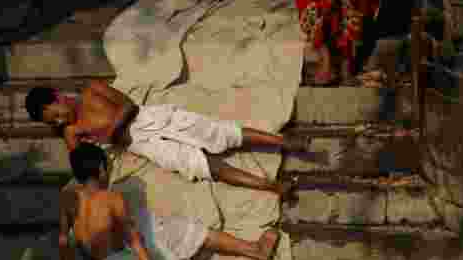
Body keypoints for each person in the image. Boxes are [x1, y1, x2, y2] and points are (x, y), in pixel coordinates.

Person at [61, 143, 283, 260]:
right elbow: (134, 239)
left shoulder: (68, 198)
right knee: (177, 229)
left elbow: (64, 241)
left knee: (154, 228)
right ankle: (253, 250)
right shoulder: (111, 198)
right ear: (101, 169)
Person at [25, 83, 308, 196]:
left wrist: (110, 133)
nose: (60, 122)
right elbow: (82, 164)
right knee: (202, 166)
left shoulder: (92, 90)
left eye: (56, 115)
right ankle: (272, 186)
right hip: (144, 145)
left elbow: (128, 105)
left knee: (220, 133)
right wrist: (80, 147)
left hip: (150, 118)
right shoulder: (71, 132)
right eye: (53, 123)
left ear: (58, 97)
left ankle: (283, 142)